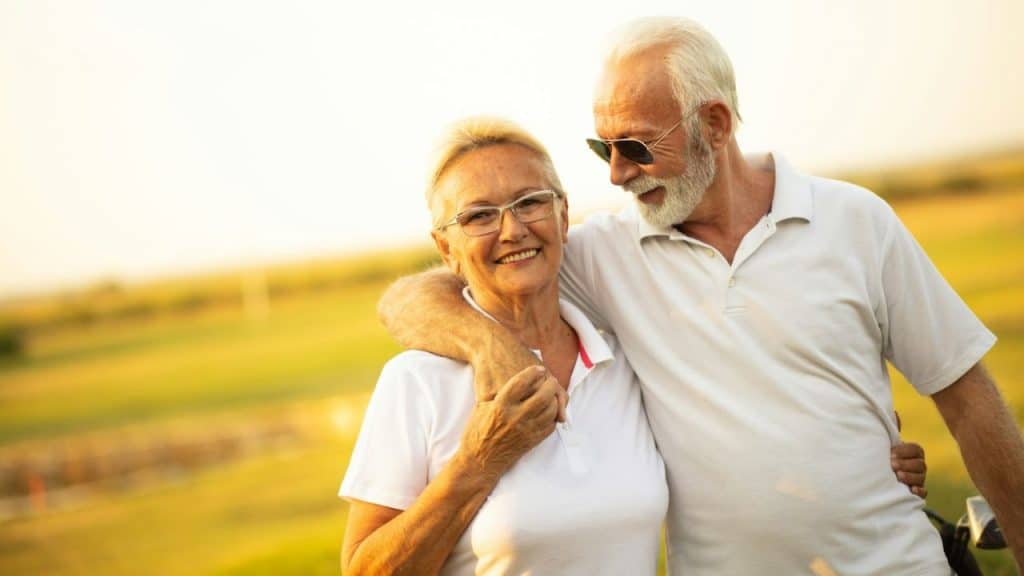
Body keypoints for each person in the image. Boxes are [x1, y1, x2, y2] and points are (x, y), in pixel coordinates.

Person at [377, 16, 1024, 575]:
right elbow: (416, 296)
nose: (616, 172)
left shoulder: (857, 221)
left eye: (634, 146)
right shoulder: (607, 253)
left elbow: (970, 403)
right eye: (602, 146)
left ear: (714, 123)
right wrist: (486, 343)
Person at [339, 117, 669, 575]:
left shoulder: (623, 360)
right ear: (446, 248)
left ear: (562, 215)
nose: (512, 230)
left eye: (529, 202)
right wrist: (477, 462)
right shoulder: (415, 381)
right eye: (478, 216)